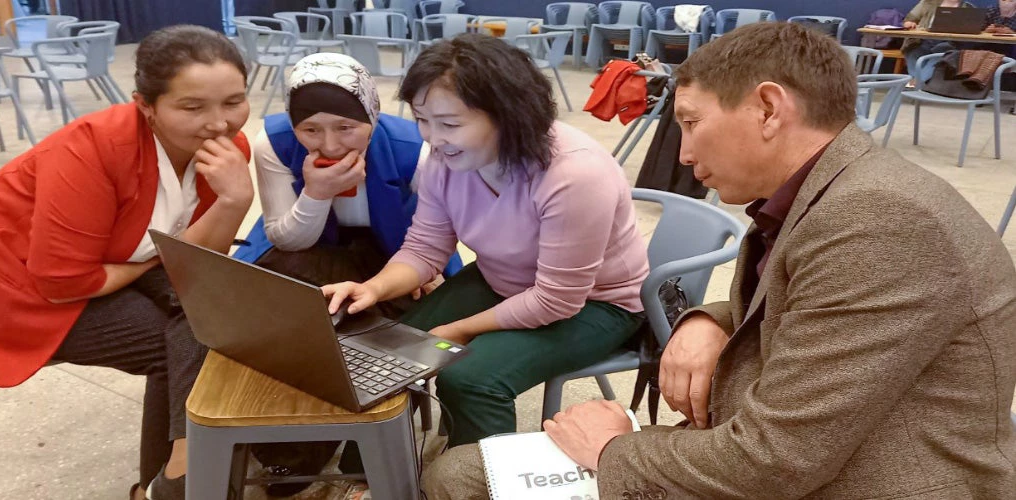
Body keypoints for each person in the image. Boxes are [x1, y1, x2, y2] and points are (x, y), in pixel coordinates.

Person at [423, 22, 1016, 499]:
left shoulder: (879, 221)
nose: (681, 150)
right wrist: (709, 319)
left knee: (461, 480)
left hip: (859, 475)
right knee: (456, 474)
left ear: (767, 109)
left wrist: (610, 451)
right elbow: (806, 304)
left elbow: (776, 462)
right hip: (790, 445)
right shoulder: (832, 192)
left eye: (690, 122)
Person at [0, 25, 254, 500]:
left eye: (234, 102)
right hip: (19, 290)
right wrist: (154, 263)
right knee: (200, 342)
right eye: (192, 107)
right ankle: (185, 479)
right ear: (146, 105)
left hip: (115, 264)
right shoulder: (90, 149)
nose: (220, 123)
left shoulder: (223, 153)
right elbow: (61, 281)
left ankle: (172, 480)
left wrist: (234, 202)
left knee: (218, 312)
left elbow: (201, 263)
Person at [323, 33, 651, 450]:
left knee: (470, 379)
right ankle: (375, 474)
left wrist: (459, 330)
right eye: (422, 119)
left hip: (597, 304)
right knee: (389, 350)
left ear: (507, 115)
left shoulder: (574, 175)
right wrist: (373, 287)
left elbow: (556, 300)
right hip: (506, 279)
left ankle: (478, 482)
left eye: (449, 124)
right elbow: (425, 247)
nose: (431, 137)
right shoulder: (445, 160)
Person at [233, 52, 461, 317]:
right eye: (311, 130)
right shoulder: (276, 143)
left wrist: (425, 267)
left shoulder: (414, 151)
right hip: (303, 246)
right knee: (261, 308)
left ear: (372, 118)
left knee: (422, 315)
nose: (330, 146)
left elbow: (438, 233)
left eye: (345, 128)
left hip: (397, 246)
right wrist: (316, 194)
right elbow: (287, 240)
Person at [902, 0, 972, 83]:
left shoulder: (968, 8)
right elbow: (909, 19)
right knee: (913, 50)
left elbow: (972, 28)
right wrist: (909, 23)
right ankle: (918, 82)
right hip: (922, 39)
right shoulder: (927, 2)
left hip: (949, 42)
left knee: (943, 51)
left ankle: (916, 83)